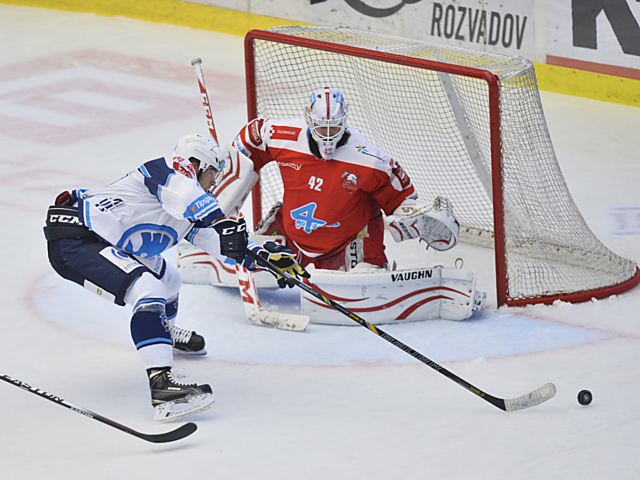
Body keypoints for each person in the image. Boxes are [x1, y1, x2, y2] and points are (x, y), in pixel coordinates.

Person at [43, 133, 308, 422]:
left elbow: (217, 241)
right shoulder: (167, 171)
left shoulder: (189, 206)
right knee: (147, 288)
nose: (214, 181)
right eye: (211, 173)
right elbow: (187, 195)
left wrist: (264, 258)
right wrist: (221, 220)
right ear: (194, 164)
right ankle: (161, 385)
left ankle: (162, 332)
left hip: (106, 240)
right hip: (76, 238)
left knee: (170, 281)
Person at [233, 87, 459, 273]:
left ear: (345, 121)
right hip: (291, 237)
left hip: (349, 243)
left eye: (335, 127)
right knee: (243, 262)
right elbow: (250, 140)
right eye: (322, 127)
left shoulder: (370, 160)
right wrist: (223, 187)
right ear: (308, 120)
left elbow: (402, 199)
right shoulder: (283, 136)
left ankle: (370, 266)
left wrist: (419, 217)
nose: (328, 134)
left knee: (367, 281)